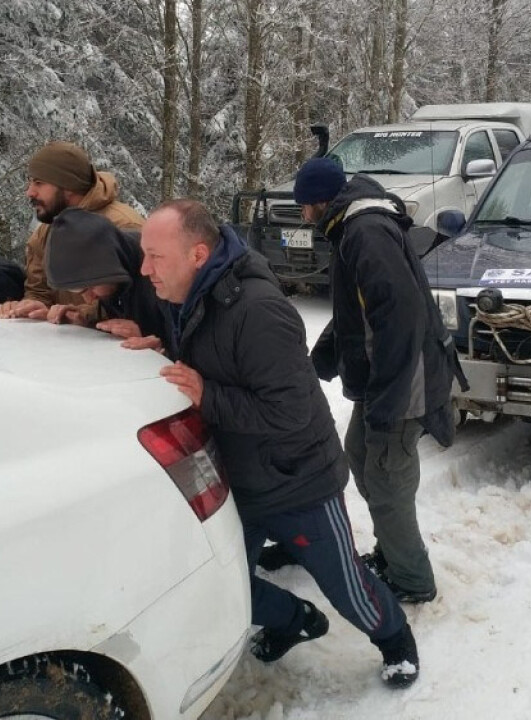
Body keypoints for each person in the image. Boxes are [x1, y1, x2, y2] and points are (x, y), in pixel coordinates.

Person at [125, 199, 420, 688]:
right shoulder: (186, 297)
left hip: (296, 478)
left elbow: (290, 412)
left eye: (155, 257)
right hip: (234, 476)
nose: (144, 269)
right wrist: (152, 339)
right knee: (219, 583)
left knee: (344, 584)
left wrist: (207, 394)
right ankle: (294, 618)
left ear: (199, 254)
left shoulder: (257, 311)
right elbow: (207, 354)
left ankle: (395, 640)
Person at [295, 157, 461, 604]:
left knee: (388, 480)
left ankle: (412, 580)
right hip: (383, 378)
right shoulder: (352, 229)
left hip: (404, 380)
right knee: (361, 457)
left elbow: (401, 318)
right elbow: (357, 312)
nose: (304, 217)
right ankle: (392, 554)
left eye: (304, 207)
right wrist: (320, 360)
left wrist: (388, 401)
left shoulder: (365, 233)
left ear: (319, 201)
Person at [0, 141, 143, 320]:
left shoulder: (123, 228)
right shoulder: (45, 232)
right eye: (30, 182)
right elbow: (39, 292)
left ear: (68, 186)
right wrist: (30, 307)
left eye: (39, 183)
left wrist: (78, 314)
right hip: (68, 342)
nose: (29, 192)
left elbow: (139, 305)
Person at [42, 209, 169, 340]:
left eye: (90, 286)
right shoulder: (115, 273)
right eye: (76, 290)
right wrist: (82, 316)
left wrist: (147, 337)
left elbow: (185, 346)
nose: (89, 299)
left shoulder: (159, 272)